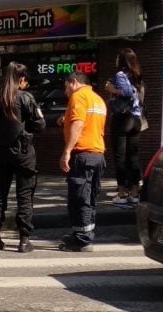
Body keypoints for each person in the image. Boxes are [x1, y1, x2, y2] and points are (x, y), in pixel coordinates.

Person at [0, 62, 46, 253]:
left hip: (0, 152)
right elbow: (40, 124)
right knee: (24, 195)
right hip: (23, 153)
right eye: (25, 80)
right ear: (21, 79)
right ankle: (24, 240)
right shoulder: (25, 97)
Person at [59, 72, 107, 252]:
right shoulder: (98, 99)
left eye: (66, 87)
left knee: (79, 198)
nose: (66, 92)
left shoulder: (78, 97)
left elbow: (79, 124)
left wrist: (67, 151)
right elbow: (91, 125)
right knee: (90, 197)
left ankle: (82, 240)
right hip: (98, 154)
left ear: (74, 82)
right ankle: (84, 233)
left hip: (82, 154)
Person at [105, 48, 143, 205]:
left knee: (120, 157)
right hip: (136, 119)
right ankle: (134, 192)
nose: (115, 60)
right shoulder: (137, 76)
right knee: (133, 156)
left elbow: (127, 92)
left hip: (122, 119)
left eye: (117, 58)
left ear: (122, 61)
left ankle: (121, 193)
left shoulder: (120, 75)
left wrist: (111, 89)